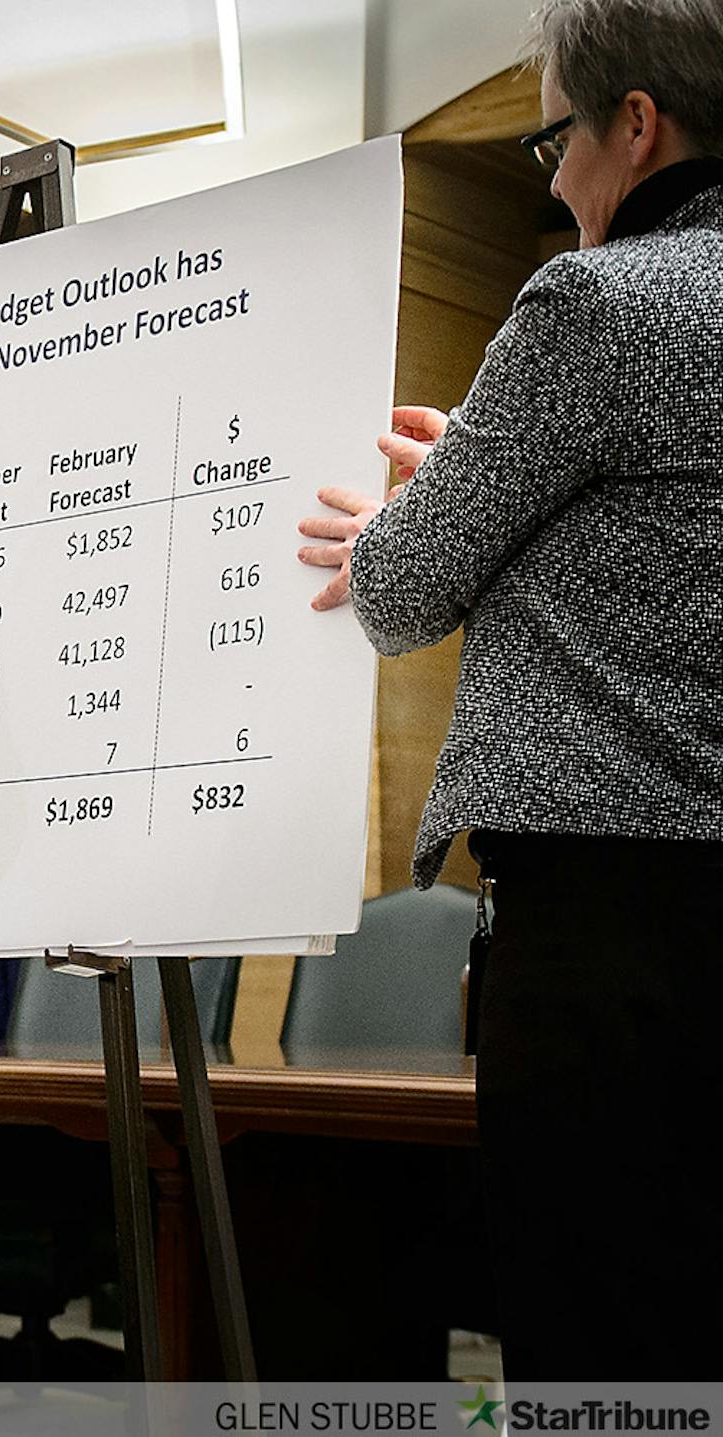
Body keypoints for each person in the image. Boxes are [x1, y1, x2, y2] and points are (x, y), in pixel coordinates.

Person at [297, 0, 723, 1379]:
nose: (549, 178)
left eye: (556, 138)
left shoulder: (596, 301)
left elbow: (407, 589)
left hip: (615, 935)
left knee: (602, 1340)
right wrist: (492, 471)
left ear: (636, 126)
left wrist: (387, 531)